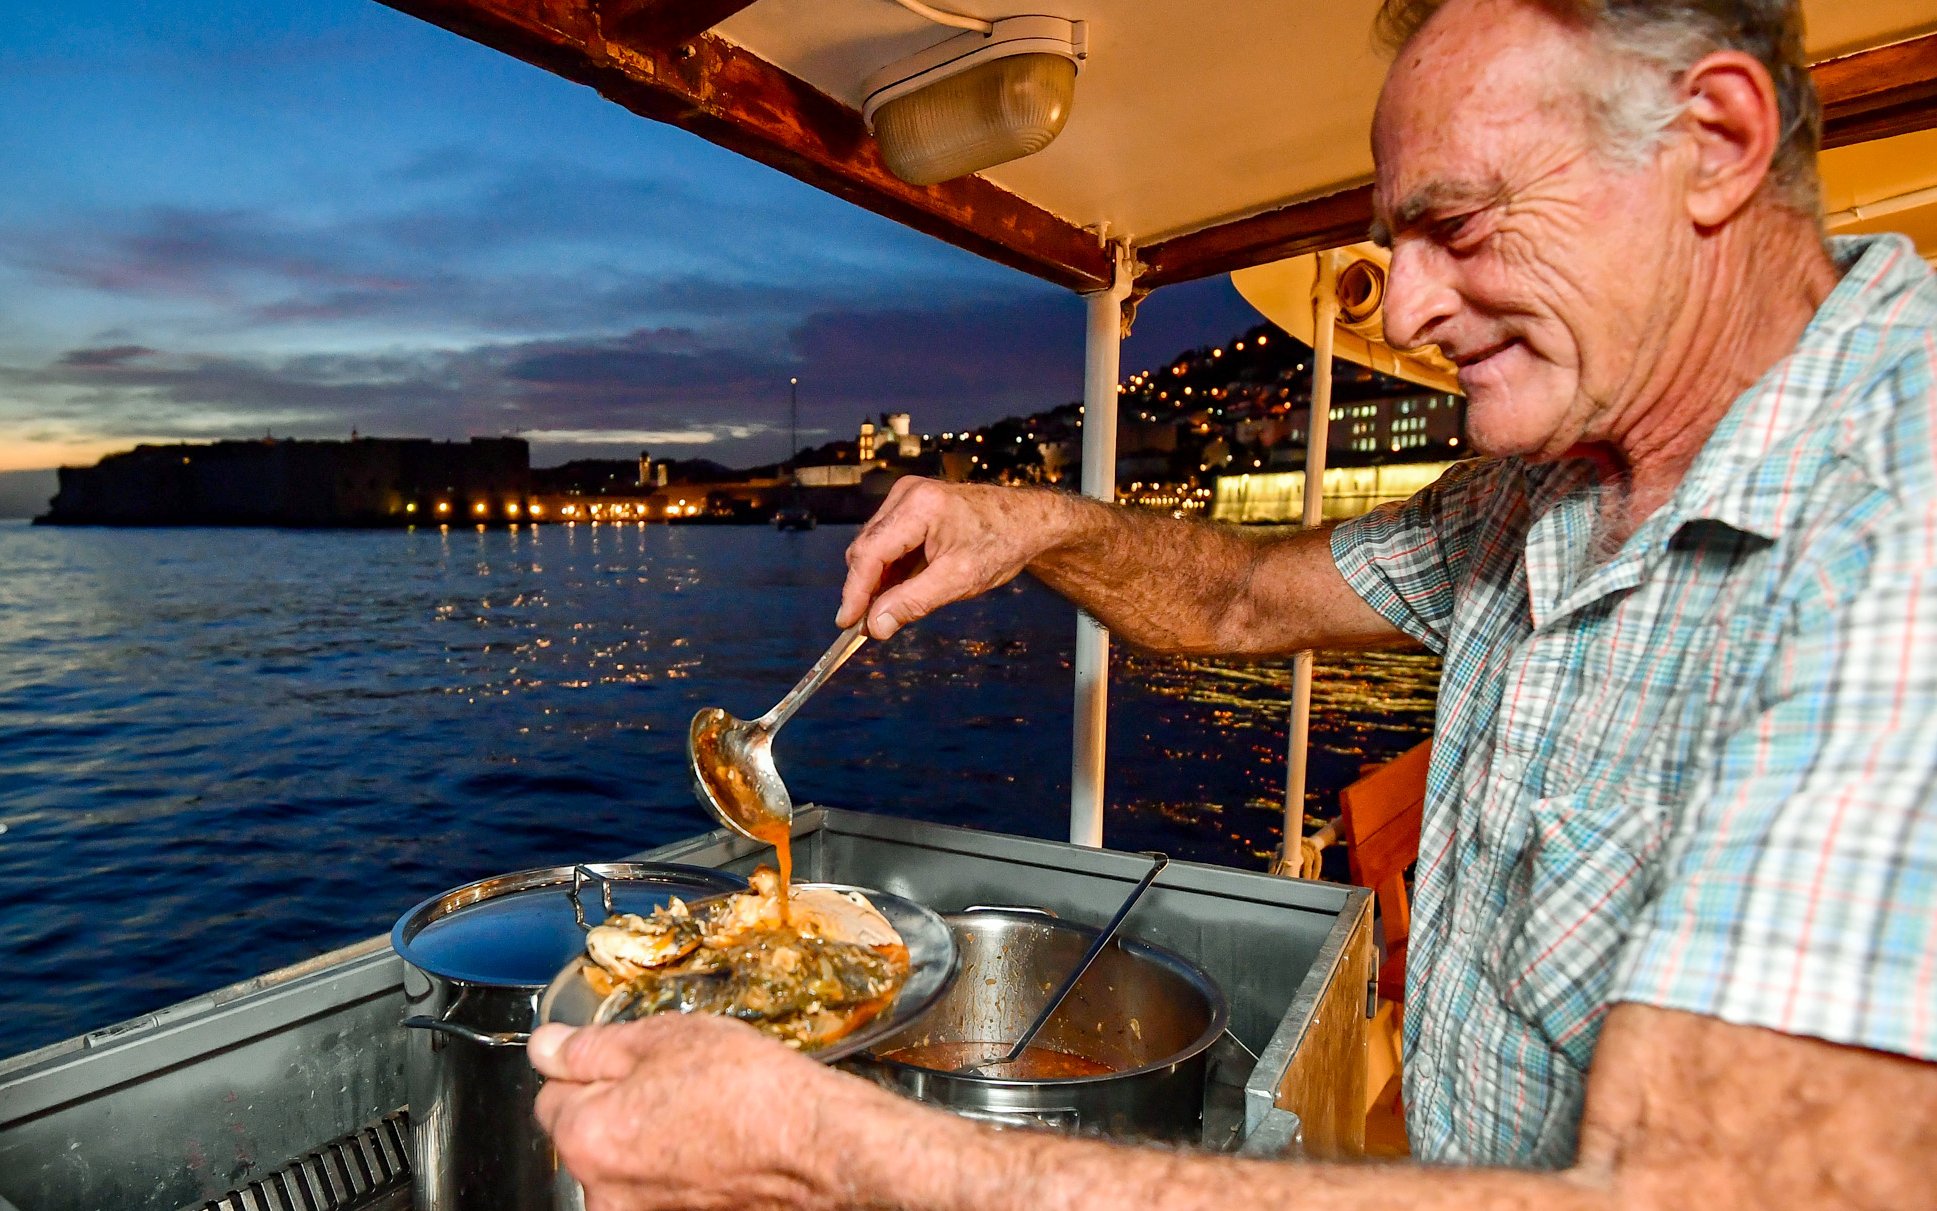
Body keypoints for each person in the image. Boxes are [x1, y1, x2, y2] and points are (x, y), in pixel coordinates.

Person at [530, 0, 1937, 1204]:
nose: (1403, 311)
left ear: (1714, 142)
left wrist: (845, 1156)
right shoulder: (1547, 488)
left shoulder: (1898, 519)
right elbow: (1244, 599)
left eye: (1453, 223)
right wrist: (1023, 526)